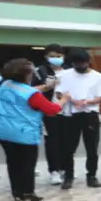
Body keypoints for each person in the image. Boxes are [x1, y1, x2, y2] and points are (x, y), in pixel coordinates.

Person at [0, 59, 68, 201]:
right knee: (27, 163)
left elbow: (24, 91)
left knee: (13, 162)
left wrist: (45, 87)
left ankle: (17, 192)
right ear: (27, 75)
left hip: (3, 130)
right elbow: (52, 110)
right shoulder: (31, 94)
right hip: (23, 132)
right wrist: (63, 100)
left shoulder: (5, 85)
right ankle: (28, 193)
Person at [56, 49, 101, 190]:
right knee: (68, 148)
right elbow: (59, 92)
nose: (79, 66)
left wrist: (87, 102)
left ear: (88, 62)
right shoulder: (65, 75)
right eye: (76, 64)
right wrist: (73, 100)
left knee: (92, 148)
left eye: (82, 63)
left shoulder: (97, 77)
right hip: (70, 115)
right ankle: (68, 176)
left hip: (89, 114)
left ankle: (91, 176)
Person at [31, 44, 66, 184]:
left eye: (59, 56)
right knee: (52, 142)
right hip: (49, 111)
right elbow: (30, 89)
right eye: (52, 56)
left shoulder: (69, 70)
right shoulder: (40, 71)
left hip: (68, 111)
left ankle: (65, 168)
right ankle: (54, 171)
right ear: (46, 56)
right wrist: (47, 86)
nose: (56, 59)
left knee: (66, 142)